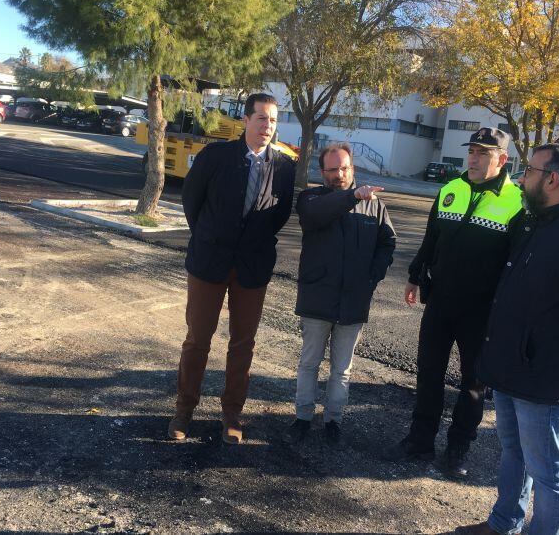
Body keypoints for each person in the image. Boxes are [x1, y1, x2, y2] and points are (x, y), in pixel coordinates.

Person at [456, 144, 559, 535]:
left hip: (546, 380)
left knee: (548, 472)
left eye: (529, 171)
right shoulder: (538, 222)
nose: (521, 177)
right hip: (513, 369)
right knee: (514, 454)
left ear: (553, 179)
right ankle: (504, 524)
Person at [386, 127, 523, 479]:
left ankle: (458, 449)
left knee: (473, 385)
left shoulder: (516, 203)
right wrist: (416, 275)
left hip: (481, 312)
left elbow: (517, 263)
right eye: (472, 151)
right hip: (441, 302)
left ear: (502, 159)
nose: (473, 159)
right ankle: (420, 440)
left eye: (483, 153)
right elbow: (432, 238)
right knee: (428, 374)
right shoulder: (451, 189)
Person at [167, 93, 296, 445]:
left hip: (252, 268)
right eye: (261, 119)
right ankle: (183, 410)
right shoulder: (215, 157)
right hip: (209, 262)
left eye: (272, 120)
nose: (267, 126)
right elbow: (192, 201)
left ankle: (232, 415)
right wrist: (210, 237)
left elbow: (279, 215)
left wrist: (251, 243)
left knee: (243, 345)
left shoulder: (284, 167)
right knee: (197, 340)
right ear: (245, 120)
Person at [282, 143, 396, 447]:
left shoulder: (375, 206)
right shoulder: (311, 198)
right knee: (309, 363)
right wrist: (352, 196)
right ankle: (303, 417)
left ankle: (334, 420)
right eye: (332, 170)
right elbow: (315, 217)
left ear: (353, 169)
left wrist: (373, 276)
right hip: (317, 298)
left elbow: (388, 242)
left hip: (353, 301)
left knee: (342, 370)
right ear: (322, 172)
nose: (339, 174)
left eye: (344, 168)